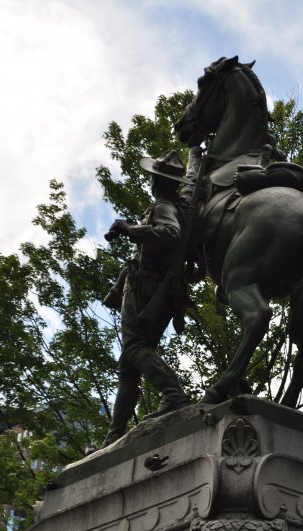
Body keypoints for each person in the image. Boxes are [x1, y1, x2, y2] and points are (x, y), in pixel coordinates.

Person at [101, 150, 192, 448]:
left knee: (135, 347)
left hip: (147, 288)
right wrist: (117, 288)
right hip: (149, 286)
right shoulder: (170, 204)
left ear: (155, 180)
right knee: (129, 363)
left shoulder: (164, 206)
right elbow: (138, 256)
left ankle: (173, 394)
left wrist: (130, 229)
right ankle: (114, 435)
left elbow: (169, 234)